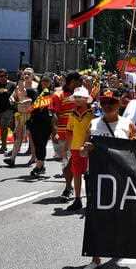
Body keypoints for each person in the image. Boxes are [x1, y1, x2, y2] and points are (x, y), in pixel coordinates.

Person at [82, 91, 136, 269]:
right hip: (98, 178)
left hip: (121, 178)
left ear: (119, 104)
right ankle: (95, 258)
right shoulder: (93, 124)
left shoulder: (128, 124)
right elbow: (83, 150)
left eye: (111, 102)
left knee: (121, 215)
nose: (107, 106)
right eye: (104, 102)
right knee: (96, 216)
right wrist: (86, 148)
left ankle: (122, 247)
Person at [52, 71, 83, 202]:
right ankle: (69, 186)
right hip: (63, 135)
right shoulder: (58, 95)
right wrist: (54, 133)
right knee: (65, 163)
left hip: (78, 135)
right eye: (79, 81)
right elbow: (54, 115)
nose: (81, 84)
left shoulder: (81, 94)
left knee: (73, 162)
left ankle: (68, 187)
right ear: (73, 81)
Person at [65, 87, 94, 212]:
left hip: (89, 148)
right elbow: (69, 131)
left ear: (86, 99)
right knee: (76, 174)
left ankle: (91, 200)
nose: (77, 99)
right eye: (76, 97)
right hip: (75, 148)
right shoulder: (72, 114)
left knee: (90, 175)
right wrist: (68, 147)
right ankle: (77, 199)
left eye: (80, 97)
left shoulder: (93, 113)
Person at [27, 74, 57, 177]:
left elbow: (53, 108)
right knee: (36, 143)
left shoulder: (52, 94)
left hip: (46, 122)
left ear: (50, 83)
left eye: (47, 81)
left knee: (41, 143)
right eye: (43, 81)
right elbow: (22, 91)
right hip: (34, 121)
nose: (45, 83)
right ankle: (41, 165)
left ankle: (38, 165)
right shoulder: (35, 92)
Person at [6, 69, 37, 167]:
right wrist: (11, 99)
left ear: (33, 76)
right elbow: (13, 96)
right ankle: (12, 159)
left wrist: (29, 101)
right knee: (18, 136)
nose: (26, 75)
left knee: (32, 137)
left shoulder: (36, 86)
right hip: (20, 114)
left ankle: (34, 157)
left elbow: (39, 99)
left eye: (29, 74)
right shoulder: (19, 85)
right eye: (25, 74)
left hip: (32, 115)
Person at [0, 69, 15, 155]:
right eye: (0, 76)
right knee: (2, 127)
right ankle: (7, 144)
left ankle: (4, 146)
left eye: (4, 76)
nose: (2, 78)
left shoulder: (12, 85)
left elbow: (16, 95)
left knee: (4, 126)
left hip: (8, 109)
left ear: (7, 76)